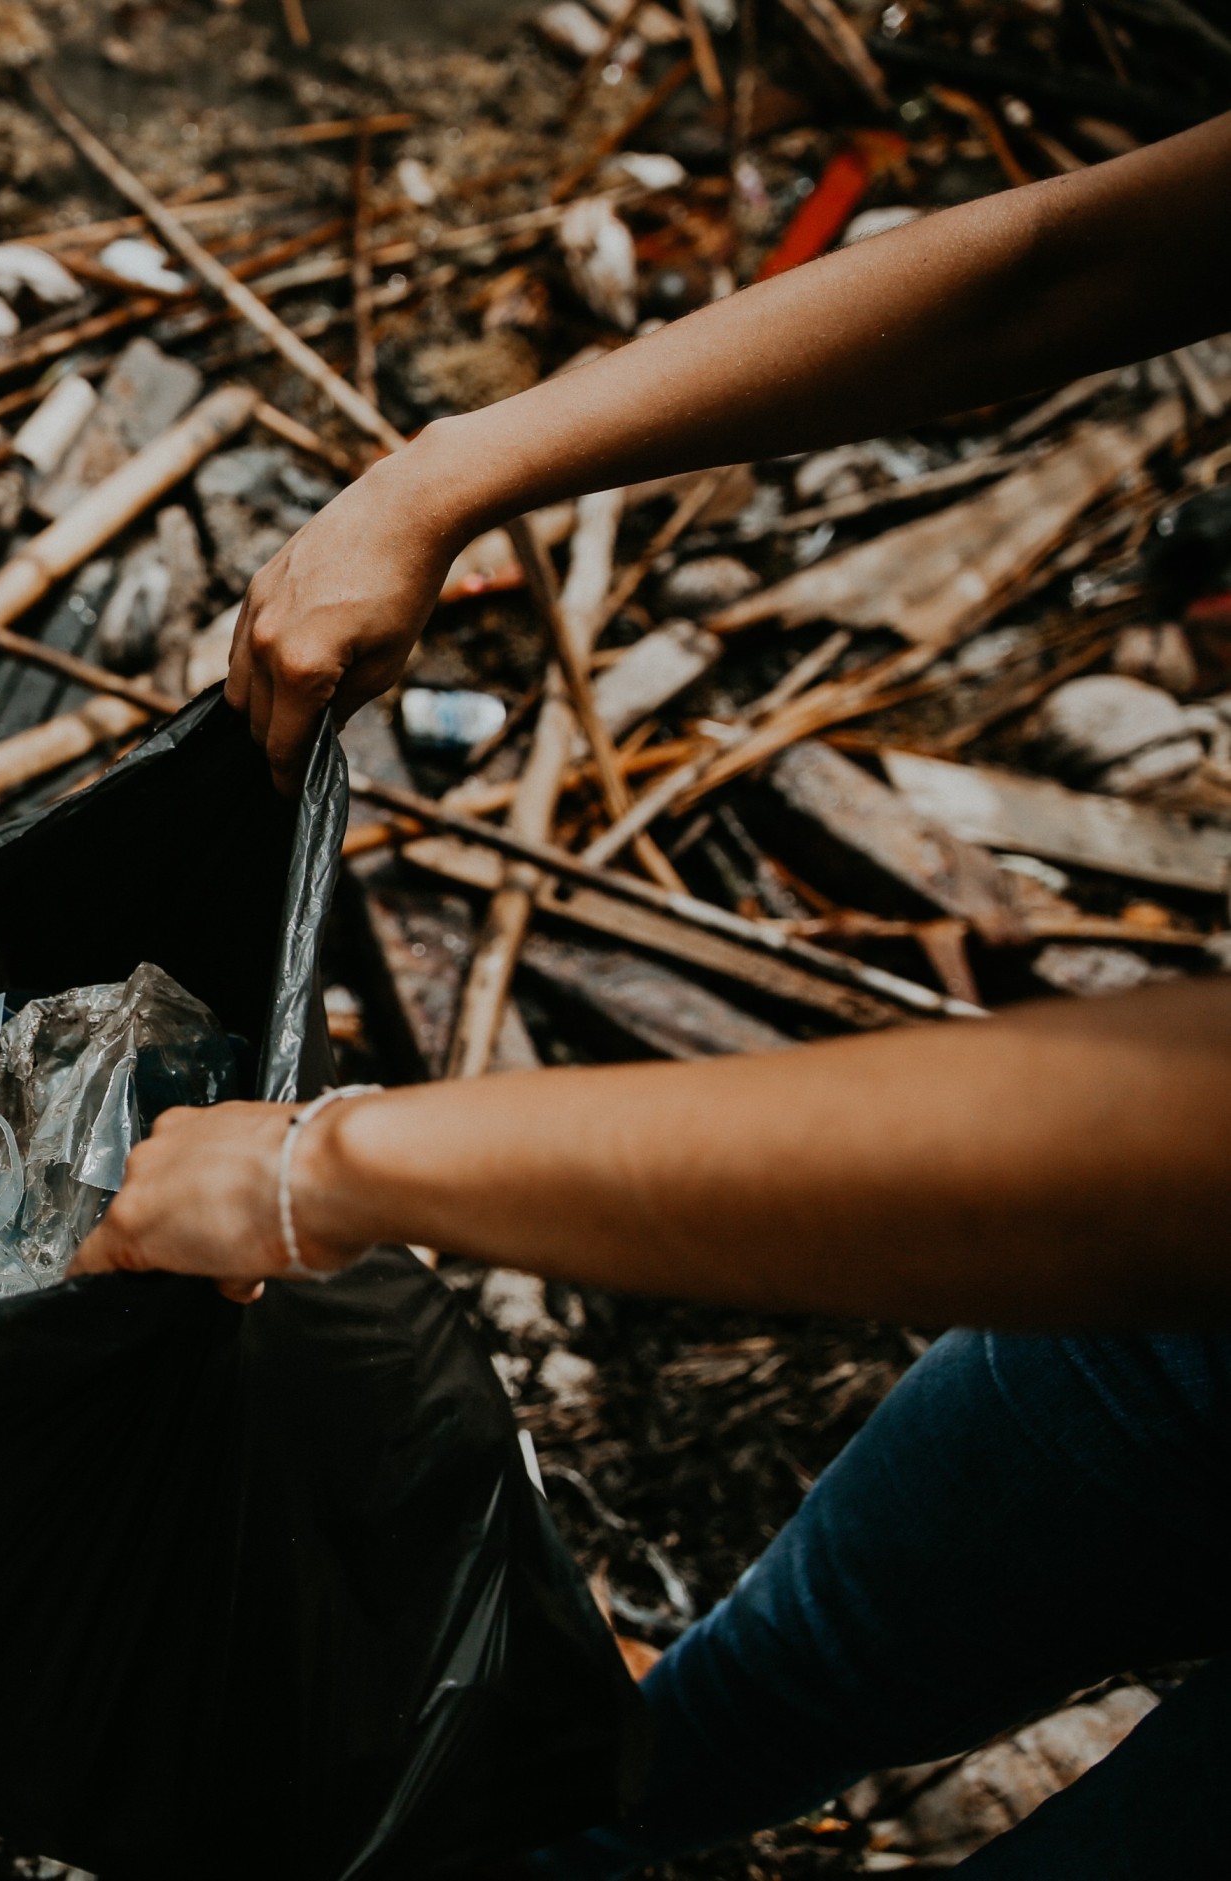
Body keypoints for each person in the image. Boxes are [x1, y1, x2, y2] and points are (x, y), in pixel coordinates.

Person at [71, 110, 1231, 1874]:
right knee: (742, 1695)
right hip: (1190, 1351)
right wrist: (439, 475)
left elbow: (1170, 1150)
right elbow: (1069, 260)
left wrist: (332, 1166)